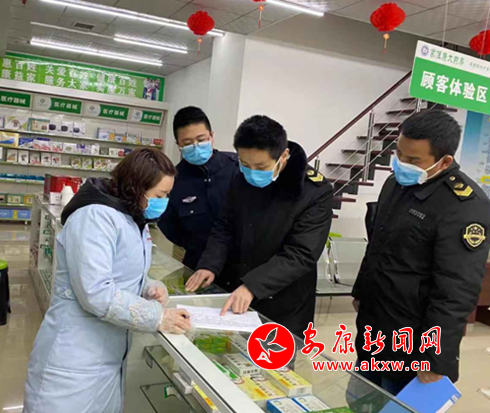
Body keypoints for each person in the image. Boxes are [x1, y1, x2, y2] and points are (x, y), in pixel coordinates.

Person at [23, 149, 192, 413]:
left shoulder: (133, 216)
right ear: (137, 187)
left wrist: (148, 286)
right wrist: (158, 317)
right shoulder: (94, 217)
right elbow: (96, 292)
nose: (164, 202)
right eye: (160, 195)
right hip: (75, 358)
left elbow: (121, 270)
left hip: (108, 356)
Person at [351, 110, 490, 395]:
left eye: (413, 160)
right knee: (362, 399)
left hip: (414, 338)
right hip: (375, 323)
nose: (402, 164)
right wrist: (361, 291)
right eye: (399, 154)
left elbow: (457, 289)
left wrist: (436, 356)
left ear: (444, 161)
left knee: (398, 405)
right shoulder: (395, 183)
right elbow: (377, 245)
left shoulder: (464, 206)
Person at [185, 115, 333, 336]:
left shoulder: (314, 191)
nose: (252, 172)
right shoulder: (240, 176)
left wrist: (253, 286)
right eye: (245, 164)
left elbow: (301, 254)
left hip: (282, 303)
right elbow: (225, 225)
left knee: (272, 357)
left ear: (283, 155)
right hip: (236, 291)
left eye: (261, 166)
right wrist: (210, 264)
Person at [158, 106, 238, 270]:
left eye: (201, 140)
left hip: (241, 265)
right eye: (187, 143)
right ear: (178, 145)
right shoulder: (173, 180)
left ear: (211, 136)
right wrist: (197, 246)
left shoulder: (238, 167)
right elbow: (168, 225)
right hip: (198, 264)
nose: (196, 146)